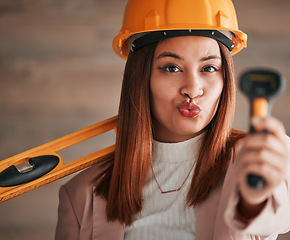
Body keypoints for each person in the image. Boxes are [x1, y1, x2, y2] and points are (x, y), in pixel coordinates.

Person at [55, 0, 290, 239]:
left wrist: (253, 198)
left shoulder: (262, 156)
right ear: (140, 77)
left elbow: (271, 213)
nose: (193, 89)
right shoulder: (80, 195)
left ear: (225, 78)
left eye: (208, 68)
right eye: (171, 68)